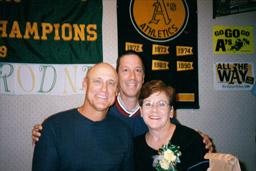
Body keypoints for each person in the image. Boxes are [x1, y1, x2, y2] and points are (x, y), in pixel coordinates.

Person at [32, 50, 213, 151]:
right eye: (125, 70)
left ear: (143, 77)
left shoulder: (157, 114)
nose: (132, 77)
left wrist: (201, 141)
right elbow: (78, 127)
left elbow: (181, 140)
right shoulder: (103, 112)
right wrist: (49, 131)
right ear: (117, 76)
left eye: (138, 70)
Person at [32, 63, 133, 171]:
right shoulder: (53, 127)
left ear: (116, 91)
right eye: (97, 81)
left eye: (111, 83)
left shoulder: (123, 131)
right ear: (85, 84)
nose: (104, 89)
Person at [134, 80, 209, 170]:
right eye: (148, 104)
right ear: (141, 111)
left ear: (171, 111)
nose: (154, 109)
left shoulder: (191, 141)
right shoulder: (135, 146)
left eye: (161, 104)